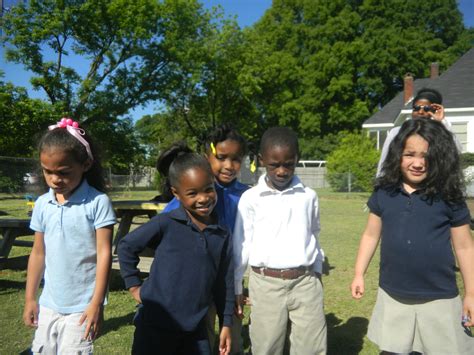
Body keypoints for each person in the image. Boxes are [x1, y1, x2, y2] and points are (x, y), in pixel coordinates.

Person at [351, 118, 474, 354]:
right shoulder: (384, 193)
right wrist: (359, 273)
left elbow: (465, 247)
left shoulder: (449, 195)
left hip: (440, 297)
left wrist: (471, 294)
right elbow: (370, 235)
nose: (417, 163)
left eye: (426, 156)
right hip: (393, 295)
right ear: (398, 155)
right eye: (410, 154)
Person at [118, 148, 234, 355]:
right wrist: (134, 286)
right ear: (176, 194)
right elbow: (127, 246)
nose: (203, 198)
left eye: (208, 189)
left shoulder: (221, 234)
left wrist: (225, 323)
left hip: (195, 330)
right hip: (154, 326)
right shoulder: (166, 223)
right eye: (192, 193)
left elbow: (223, 281)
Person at [23, 117, 116, 354]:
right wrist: (30, 298)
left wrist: (97, 303)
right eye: (47, 172)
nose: (55, 180)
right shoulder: (42, 204)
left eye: (63, 172)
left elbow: (104, 254)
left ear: (85, 164)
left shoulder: (98, 203)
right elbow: (38, 252)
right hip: (49, 303)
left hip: (82, 307)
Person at [233, 126, 326, 354]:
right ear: (262, 160)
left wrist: (316, 270)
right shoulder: (251, 198)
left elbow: (313, 233)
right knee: (267, 346)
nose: (282, 171)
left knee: (311, 347)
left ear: (297, 159)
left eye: (289, 164)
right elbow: (241, 244)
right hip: (265, 284)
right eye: (275, 164)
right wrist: (236, 284)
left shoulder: (309, 197)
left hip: (305, 282)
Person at [161, 124, 250, 354]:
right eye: (221, 158)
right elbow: (165, 228)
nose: (229, 165)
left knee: (233, 341)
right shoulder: (195, 193)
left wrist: (240, 285)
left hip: (230, 282)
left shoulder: (248, 196)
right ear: (206, 156)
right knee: (203, 339)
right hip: (199, 283)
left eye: (236, 159)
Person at [377, 87, 462, 175]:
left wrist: (442, 121)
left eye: (426, 109)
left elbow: (456, 150)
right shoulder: (397, 132)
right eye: (416, 108)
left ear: (435, 111)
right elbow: (384, 160)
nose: (420, 112)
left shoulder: (439, 132)